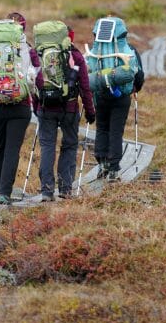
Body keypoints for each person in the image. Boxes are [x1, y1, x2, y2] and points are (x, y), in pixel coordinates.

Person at [0, 12, 39, 206]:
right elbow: (36, 79)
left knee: (0, 150)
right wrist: (37, 105)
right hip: (20, 108)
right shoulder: (28, 50)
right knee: (12, 150)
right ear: (22, 29)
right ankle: (5, 193)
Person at [34, 25, 95, 201]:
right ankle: (65, 189)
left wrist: (37, 107)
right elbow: (85, 87)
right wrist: (90, 111)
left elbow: (34, 83)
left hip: (45, 109)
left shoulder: (40, 55)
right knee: (69, 146)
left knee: (47, 147)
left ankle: (46, 190)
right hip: (69, 109)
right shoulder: (75, 55)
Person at [86, 16, 144, 182]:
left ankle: (102, 163)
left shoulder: (96, 51)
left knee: (102, 128)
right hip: (121, 96)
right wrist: (135, 88)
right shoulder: (129, 50)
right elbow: (139, 73)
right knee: (116, 131)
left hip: (100, 95)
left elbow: (89, 70)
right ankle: (113, 169)